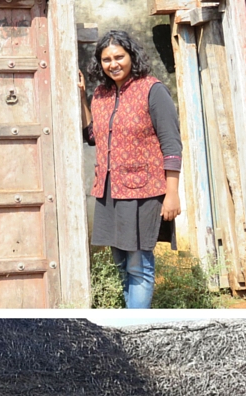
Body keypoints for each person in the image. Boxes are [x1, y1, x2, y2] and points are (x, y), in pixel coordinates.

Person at [79, 30, 182, 309]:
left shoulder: (152, 89)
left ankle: (138, 324)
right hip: (109, 191)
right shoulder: (100, 95)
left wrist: (172, 194)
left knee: (138, 265)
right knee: (122, 264)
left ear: (132, 56)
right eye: (106, 59)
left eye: (119, 57)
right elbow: (93, 137)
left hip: (143, 191)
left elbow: (171, 144)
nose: (113, 64)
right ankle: (130, 317)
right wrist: (81, 96)